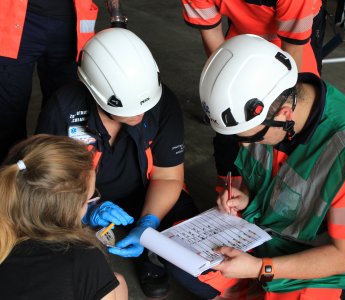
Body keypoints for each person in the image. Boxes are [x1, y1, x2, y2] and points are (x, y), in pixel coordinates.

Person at [167, 34, 345, 299]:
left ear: (284, 114)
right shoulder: (279, 105)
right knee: (177, 252)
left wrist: (260, 268)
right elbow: (286, 184)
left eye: (249, 137)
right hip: (266, 237)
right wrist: (248, 198)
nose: (244, 145)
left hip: (320, 266)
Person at [35, 28, 199, 299]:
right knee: (63, 259)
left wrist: (148, 223)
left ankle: (149, 254)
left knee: (191, 246)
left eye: (142, 106)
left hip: (148, 190)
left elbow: (169, 177)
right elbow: (48, 186)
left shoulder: (162, 102)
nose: (139, 113)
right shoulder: (63, 108)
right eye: (127, 108)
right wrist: (87, 211)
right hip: (80, 198)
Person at [180, 0, 326, 195]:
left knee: (290, 124)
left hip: (289, 46)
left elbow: (292, 63)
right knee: (229, 120)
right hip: (240, 42)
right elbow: (217, 51)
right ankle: (233, 197)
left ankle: (284, 200)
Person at [0, 134, 130, 300]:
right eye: (90, 199)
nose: (91, 204)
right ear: (67, 209)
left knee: (117, 280)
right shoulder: (83, 259)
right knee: (114, 283)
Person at [0, 0, 127, 164]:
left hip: (71, 25)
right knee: (8, 112)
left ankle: (51, 174)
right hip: (17, 20)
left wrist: (117, 16)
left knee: (64, 111)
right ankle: (8, 178)